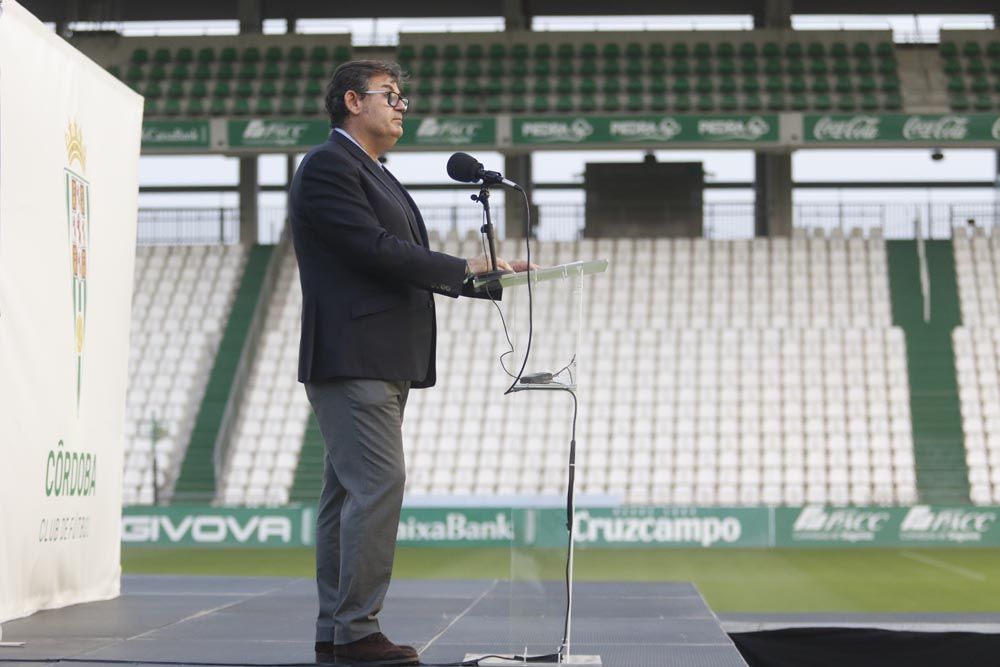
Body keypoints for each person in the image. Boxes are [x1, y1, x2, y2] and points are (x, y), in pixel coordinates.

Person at [288, 60, 528, 666]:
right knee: (376, 486)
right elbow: (371, 250)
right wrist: (463, 269)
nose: (401, 105)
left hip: (384, 355)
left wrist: (483, 280)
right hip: (353, 355)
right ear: (351, 101)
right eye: (389, 95)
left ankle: (336, 631)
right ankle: (358, 631)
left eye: (402, 96)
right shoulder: (328, 166)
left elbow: (399, 262)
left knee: (348, 497)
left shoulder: (375, 173)